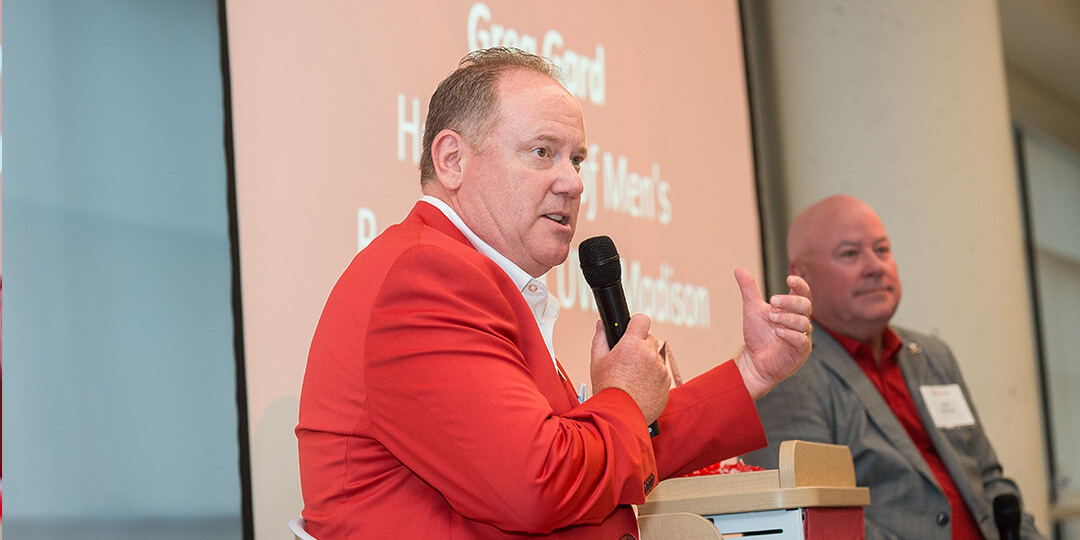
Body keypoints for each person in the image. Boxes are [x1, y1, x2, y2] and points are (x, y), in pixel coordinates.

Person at [295, 47, 813, 539]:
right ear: (451, 159)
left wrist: (753, 370)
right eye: (543, 153)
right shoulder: (426, 277)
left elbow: (599, 453)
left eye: (577, 160)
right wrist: (622, 397)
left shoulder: (472, 277)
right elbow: (537, 484)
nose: (573, 183)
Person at [742, 194, 1044, 539]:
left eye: (882, 250)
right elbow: (815, 520)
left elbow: (990, 480)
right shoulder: (785, 374)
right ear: (800, 275)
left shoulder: (932, 355)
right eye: (850, 254)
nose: (875, 267)